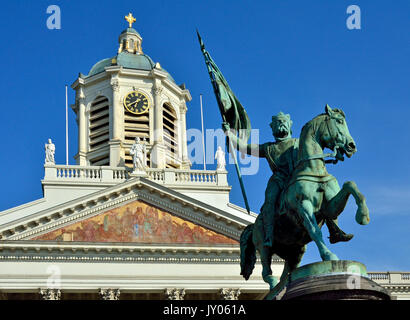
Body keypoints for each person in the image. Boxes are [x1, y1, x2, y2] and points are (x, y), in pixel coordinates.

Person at [223, 111, 353, 248]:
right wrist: (230, 135)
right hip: (279, 180)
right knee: (270, 201)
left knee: (324, 187)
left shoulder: (298, 143)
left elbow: (316, 152)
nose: (281, 124)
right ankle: (268, 235)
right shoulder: (268, 148)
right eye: (278, 123)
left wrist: (336, 151)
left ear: (290, 125)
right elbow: (245, 148)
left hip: (300, 176)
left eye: (284, 121)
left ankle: (334, 228)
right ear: (272, 128)